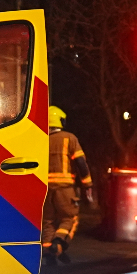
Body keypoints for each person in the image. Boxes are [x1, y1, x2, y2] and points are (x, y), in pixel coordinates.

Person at [42, 105, 92, 263]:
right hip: (65, 189)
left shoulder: (41, 139)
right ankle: (59, 243)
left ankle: (49, 253)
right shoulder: (69, 138)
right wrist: (88, 185)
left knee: (47, 221)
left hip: (45, 189)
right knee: (70, 218)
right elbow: (81, 163)